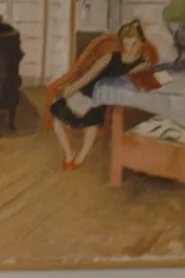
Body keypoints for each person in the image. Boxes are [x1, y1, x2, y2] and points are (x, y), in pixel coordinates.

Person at [45, 19, 163, 171]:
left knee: (91, 121)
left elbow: (129, 82)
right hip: (87, 90)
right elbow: (89, 76)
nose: (130, 49)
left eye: (133, 44)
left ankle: (80, 158)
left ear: (141, 42)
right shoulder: (110, 57)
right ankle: (69, 154)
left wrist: (145, 66)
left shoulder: (141, 64)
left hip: (104, 97)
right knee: (58, 117)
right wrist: (73, 88)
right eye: (126, 44)